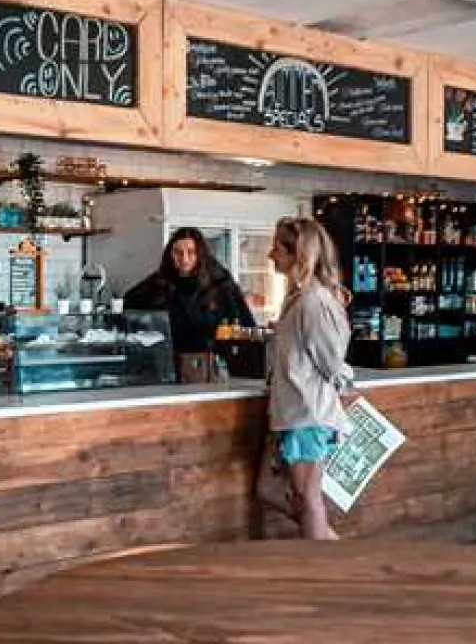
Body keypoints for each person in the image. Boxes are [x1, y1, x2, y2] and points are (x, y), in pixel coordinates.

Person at [260, 216, 354, 540]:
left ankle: (323, 572)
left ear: (297, 253)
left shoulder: (313, 301)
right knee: (293, 496)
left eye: (277, 248)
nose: (271, 255)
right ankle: (331, 554)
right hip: (296, 413)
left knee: (308, 499)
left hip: (307, 414)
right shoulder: (300, 298)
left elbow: (331, 362)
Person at [124, 227, 257, 383]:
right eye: (178, 253)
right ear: (170, 255)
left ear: (200, 254)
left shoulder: (220, 284)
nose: (184, 259)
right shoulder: (158, 282)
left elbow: (247, 328)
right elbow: (128, 305)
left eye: (191, 252)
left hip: (213, 371)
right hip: (167, 370)